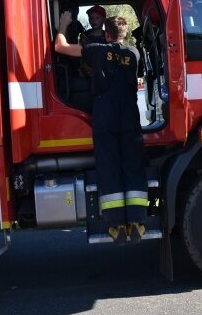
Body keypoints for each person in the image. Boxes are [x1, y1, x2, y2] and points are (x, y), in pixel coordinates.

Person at [54, 14, 148, 244]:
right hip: (128, 113)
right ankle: (136, 221)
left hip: (104, 113)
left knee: (109, 166)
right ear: (124, 33)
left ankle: (116, 225)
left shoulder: (95, 50)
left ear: (106, 33)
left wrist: (63, 25)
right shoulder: (133, 53)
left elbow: (60, 47)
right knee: (133, 165)